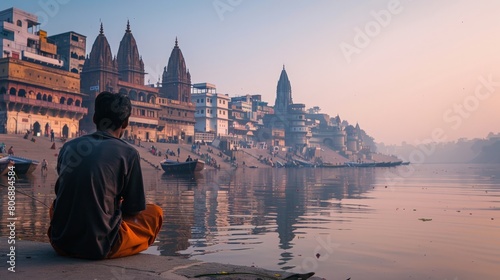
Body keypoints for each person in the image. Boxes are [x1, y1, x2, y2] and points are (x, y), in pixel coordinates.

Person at [48, 92, 163, 260]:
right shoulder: (129, 153)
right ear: (126, 122)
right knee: (155, 212)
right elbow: (134, 209)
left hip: (60, 243)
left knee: (55, 206)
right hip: (99, 247)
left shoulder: (68, 146)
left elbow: (66, 190)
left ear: (94, 118)